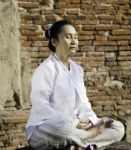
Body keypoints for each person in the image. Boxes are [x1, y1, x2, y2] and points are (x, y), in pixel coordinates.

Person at [25, 20, 125, 150]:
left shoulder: (77, 70)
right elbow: (41, 108)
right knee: (63, 130)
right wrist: (76, 124)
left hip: (75, 127)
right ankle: (89, 138)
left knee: (117, 127)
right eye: (68, 37)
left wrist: (91, 120)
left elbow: (83, 103)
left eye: (76, 37)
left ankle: (81, 145)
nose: (74, 41)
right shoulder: (46, 69)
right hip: (47, 128)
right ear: (54, 42)